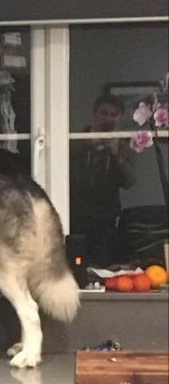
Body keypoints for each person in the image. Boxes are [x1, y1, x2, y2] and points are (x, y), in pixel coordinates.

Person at [70, 94, 137, 267]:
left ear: (120, 117)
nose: (108, 118)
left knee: (103, 266)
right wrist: (87, 145)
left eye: (113, 114)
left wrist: (116, 155)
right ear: (94, 114)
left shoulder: (123, 144)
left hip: (105, 219)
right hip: (75, 215)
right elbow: (60, 164)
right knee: (75, 265)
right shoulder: (76, 139)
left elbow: (129, 182)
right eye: (104, 113)